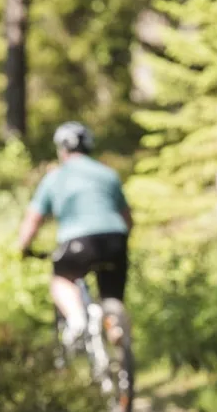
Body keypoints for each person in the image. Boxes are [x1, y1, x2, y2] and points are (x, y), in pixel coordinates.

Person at [16, 122, 133, 358]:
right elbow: (128, 218)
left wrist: (23, 248)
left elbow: (33, 220)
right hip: (115, 239)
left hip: (77, 241)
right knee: (111, 296)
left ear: (62, 150)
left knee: (61, 280)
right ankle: (114, 327)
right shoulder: (107, 173)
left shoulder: (55, 177)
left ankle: (77, 318)